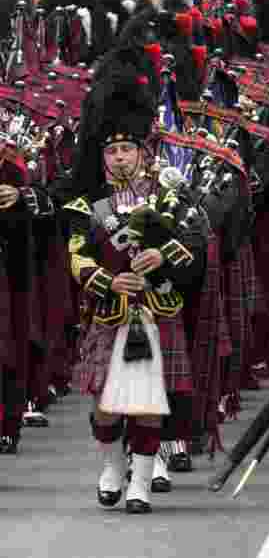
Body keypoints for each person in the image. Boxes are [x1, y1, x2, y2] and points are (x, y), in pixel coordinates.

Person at [64, 46, 206, 513]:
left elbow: (192, 249)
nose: (121, 157)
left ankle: (142, 483)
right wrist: (108, 280)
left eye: (128, 149)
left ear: (144, 152)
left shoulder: (168, 198)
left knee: (148, 404)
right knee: (107, 404)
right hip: (110, 313)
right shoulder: (91, 206)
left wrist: (157, 255)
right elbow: (77, 258)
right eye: (113, 150)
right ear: (103, 157)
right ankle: (110, 467)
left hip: (157, 310)